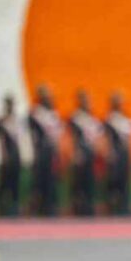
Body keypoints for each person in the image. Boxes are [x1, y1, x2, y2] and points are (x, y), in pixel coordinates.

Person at [28, 85, 62, 216]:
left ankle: (50, 207)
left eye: (49, 96)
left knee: (51, 180)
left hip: (51, 150)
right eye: (45, 96)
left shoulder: (53, 114)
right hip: (40, 150)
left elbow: (57, 134)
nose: (48, 99)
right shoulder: (35, 113)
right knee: (39, 180)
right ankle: (37, 208)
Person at [68, 90, 102, 216]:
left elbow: (98, 137)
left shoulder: (92, 120)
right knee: (79, 183)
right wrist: (74, 152)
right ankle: (78, 208)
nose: (88, 104)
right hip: (80, 154)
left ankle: (89, 207)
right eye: (86, 101)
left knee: (90, 182)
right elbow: (72, 137)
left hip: (91, 154)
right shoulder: (75, 118)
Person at [104, 92, 131, 215]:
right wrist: (108, 152)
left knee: (125, 180)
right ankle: (112, 207)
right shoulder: (110, 119)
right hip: (115, 153)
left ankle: (124, 206)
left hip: (124, 153)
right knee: (113, 180)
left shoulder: (125, 120)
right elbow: (107, 138)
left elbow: (129, 140)